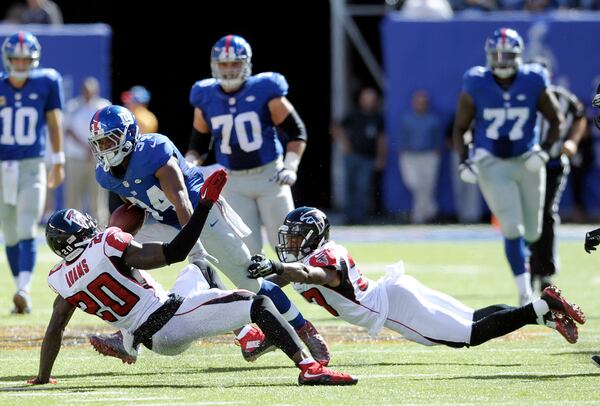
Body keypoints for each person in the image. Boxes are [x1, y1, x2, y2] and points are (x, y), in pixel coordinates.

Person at [27, 171, 357, 386]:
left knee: (200, 268)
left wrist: (43, 378)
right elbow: (174, 250)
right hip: (170, 321)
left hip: (152, 331)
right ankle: (308, 367)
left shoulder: (63, 279)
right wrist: (204, 206)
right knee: (256, 302)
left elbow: (55, 329)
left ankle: (126, 340)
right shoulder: (107, 243)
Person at [87, 105, 330, 365]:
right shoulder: (105, 175)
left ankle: (304, 329)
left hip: (200, 213)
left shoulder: (153, 152)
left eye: (109, 140)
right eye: (99, 143)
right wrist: (123, 235)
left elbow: (182, 201)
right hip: (164, 221)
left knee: (250, 280)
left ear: (128, 135)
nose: (104, 149)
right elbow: (135, 207)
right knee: (118, 255)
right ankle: (126, 334)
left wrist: (196, 251)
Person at [248, 207, 586, 350]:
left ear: (314, 236)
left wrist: (276, 268)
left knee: (468, 336)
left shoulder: (319, 261)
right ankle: (543, 314)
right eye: (288, 237)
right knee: (472, 317)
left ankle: (541, 305)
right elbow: (285, 280)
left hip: (392, 308)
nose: (290, 244)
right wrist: (248, 287)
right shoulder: (314, 254)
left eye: (296, 237)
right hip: (394, 291)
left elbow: (313, 275)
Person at [452, 27, 563, 305]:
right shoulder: (476, 81)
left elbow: (556, 119)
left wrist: (546, 151)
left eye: (507, 54)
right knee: (512, 227)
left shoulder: (533, 79)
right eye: (496, 54)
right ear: (488, 55)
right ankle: (524, 291)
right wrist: (464, 159)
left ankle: (523, 262)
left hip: (527, 158)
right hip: (491, 161)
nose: (501, 60)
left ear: (519, 56)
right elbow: (461, 127)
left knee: (534, 231)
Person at [185, 34, 307, 255]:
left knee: (289, 244)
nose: (230, 69)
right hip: (232, 182)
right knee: (247, 251)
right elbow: (199, 144)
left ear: (246, 63)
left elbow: (296, 132)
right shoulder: (205, 96)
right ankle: (261, 291)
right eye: (224, 63)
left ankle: (303, 286)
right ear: (214, 65)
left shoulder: (265, 89)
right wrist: (189, 164)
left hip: (270, 176)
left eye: (235, 63)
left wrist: (290, 166)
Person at [0, 31, 65, 314]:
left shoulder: (47, 81)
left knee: (27, 223)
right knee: (9, 231)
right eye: (16, 59)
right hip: (2, 166)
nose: (21, 64)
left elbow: (54, 121)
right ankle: (20, 286)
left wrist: (58, 159)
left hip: (32, 163)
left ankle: (24, 289)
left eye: (26, 60)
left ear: (34, 60)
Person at [528, 63, 587, 293]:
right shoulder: (518, 98)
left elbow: (580, 115)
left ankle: (544, 271)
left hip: (552, 164)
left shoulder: (562, 97)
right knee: (526, 217)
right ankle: (528, 270)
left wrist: (572, 140)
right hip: (523, 166)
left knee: (545, 213)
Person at [331, 86, 386, 224]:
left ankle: (361, 216)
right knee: (350, 186)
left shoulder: (377, 117)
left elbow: (381, 139)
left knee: (363, 187)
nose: (369, 101)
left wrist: (381, 156)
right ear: (361, 99)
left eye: (372, 99)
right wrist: (345, 144)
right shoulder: (353, 114)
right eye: (367, 98)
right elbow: (335, 127)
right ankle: (349, 217)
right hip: (352, 156)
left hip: (368, 157)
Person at [64, 77, 111, 225]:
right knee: (73, 196)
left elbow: (109, 130)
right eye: (85, 90)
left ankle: (100, 229)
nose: (88, 93)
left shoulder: (103, 106)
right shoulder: (73, 106)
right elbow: (68, 129)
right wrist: (86, 147)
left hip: (98, 158)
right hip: (76, 157)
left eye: (91, 90)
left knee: (97, 197)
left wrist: (94, 147)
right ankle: (71, 227)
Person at [108, 85, 159, 214]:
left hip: (133, 164)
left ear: (139, 101)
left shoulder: (139, 117)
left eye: (131, 99)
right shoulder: (148, 116)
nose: (127, 102)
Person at [398, 90, 443, 224]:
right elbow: (402, 137)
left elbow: (437, 138)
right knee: (414, 184)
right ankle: (430, 209)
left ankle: (418, 217)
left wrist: (436, 151)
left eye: (423, 103)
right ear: (413, 103)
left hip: (429, 155)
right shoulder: (406, 119)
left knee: (427, 186)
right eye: (418, 102)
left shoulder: (433, 119)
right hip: (410, 155)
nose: (420, 105)